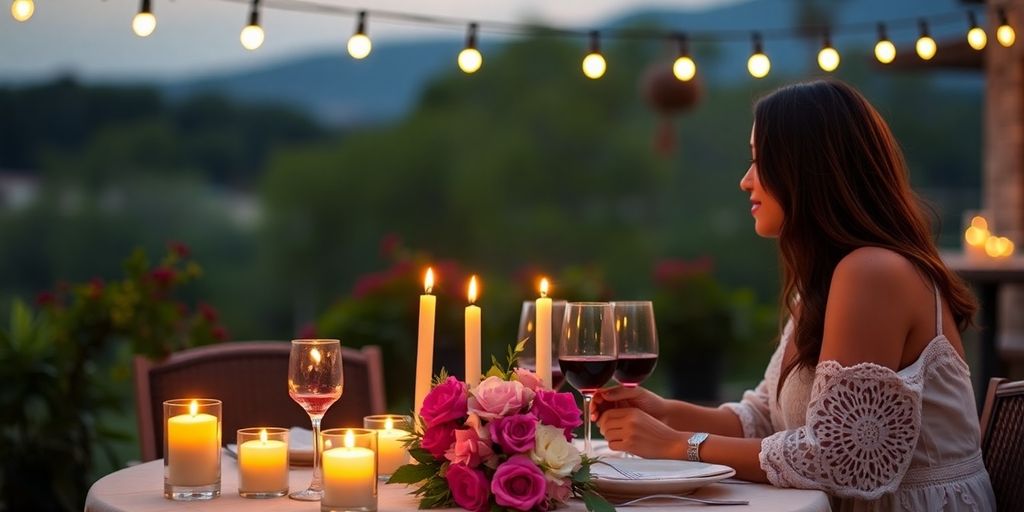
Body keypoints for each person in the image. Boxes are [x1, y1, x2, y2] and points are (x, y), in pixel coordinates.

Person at [592, 80, 995, 511]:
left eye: (759, 161)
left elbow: (842, 458)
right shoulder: (827, 282)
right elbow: (764, 418)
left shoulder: (873, 272)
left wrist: (679, 445)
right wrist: (666, 413)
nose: (746, 180)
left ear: (808, 168)